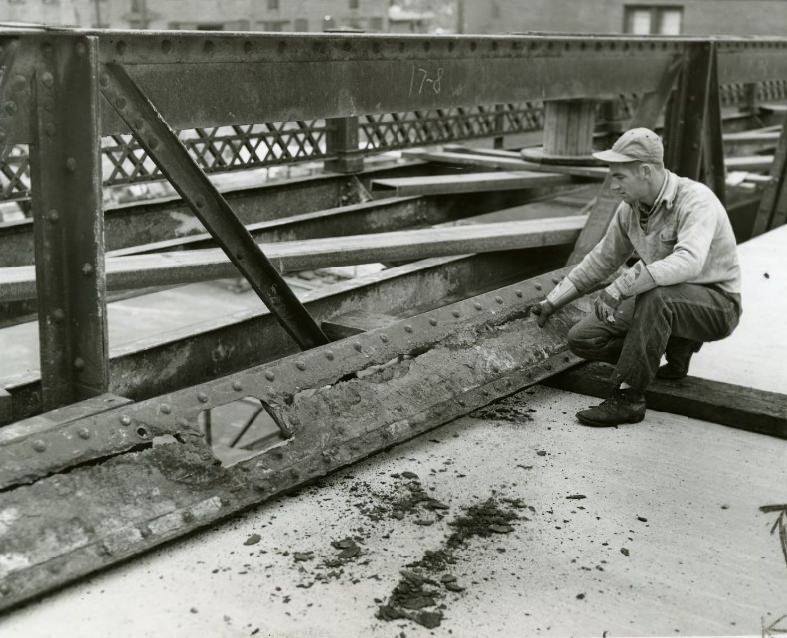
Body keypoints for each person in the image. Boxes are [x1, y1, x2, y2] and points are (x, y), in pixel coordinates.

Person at [531, 127, 742, 427]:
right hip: (664, 298)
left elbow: (689, 262)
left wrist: (621, 287)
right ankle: (672, 344)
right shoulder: (630, 209)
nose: (613, 185)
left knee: (657, 297)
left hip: (716, 304)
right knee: (583, 339)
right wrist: (552, 301)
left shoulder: (696, 200)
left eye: (619, 176)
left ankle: (628, 398)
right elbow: (602, 259)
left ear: (645, 171)